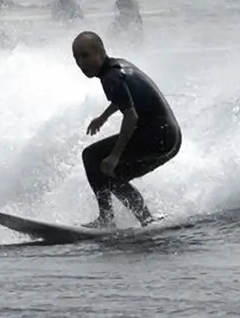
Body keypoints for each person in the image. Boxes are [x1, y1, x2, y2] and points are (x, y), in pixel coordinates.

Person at [72, 31, 180, 228]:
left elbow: (131, 116)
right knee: (111, 175)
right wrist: (104, 117)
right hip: (171, 136)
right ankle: (146, 220)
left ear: (100, 51)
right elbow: (126, 97)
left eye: (85, 55)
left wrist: (115, 155)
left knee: (91, 157)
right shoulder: (118, 66)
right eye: (76, 58)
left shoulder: (110, 77)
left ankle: (106, 219)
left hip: (158, 135)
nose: (80, 63)